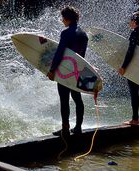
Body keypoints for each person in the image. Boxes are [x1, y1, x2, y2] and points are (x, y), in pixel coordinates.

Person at [47, 6, 88, 136]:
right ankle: (78, 128)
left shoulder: (66, 33)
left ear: (67, 19)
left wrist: (52, 70)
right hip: (78, 70)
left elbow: (60, 53)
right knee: (77, 99)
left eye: (63, 18)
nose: (62, 20)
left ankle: (65, 129)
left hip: (65, 70)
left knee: (64, 100)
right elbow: (82, 56)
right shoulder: (84, 34)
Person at [118, 11, 139, 124]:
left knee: (134, 92)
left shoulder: (135, 33)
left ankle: (135, 119)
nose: (129, 23)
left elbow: (130, 52)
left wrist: (123, 67)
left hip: (135, 67)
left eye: (131, 20)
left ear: (135, 21)